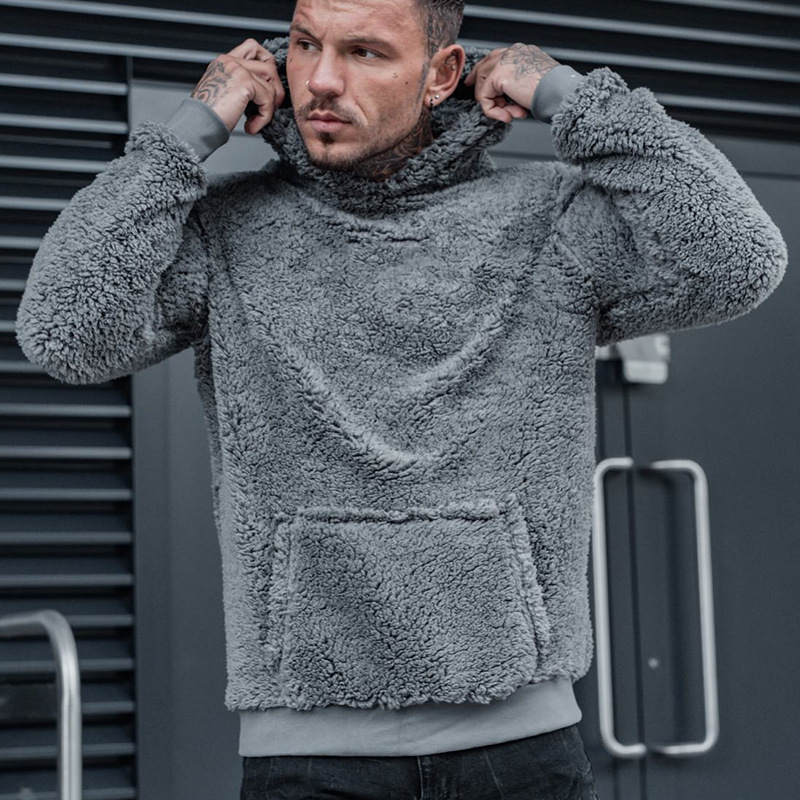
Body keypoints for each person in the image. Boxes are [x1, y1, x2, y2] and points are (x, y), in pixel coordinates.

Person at [16, 0, 787, 795]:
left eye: (365, 52)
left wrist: (570, 94)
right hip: (306, 752)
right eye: (305, 44)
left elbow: (737, 258)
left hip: (521, 749)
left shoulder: (549, 220)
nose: (320, 79)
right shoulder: (227, 230)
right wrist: (186, 136)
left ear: (442, 74)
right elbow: (65, 332)